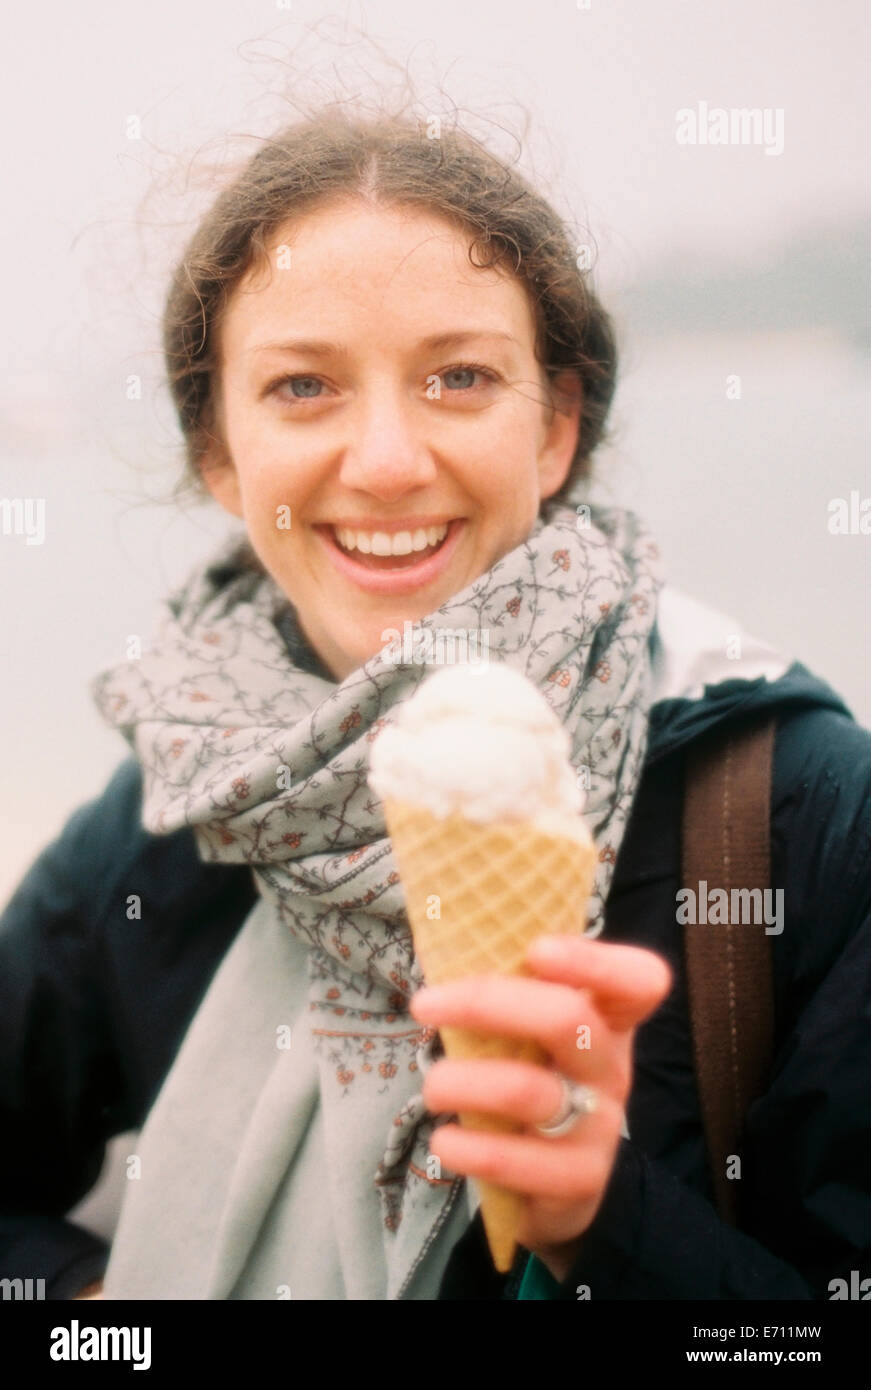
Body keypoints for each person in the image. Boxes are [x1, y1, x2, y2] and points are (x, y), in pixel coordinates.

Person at [2, 108, 869, 1302]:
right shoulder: (177, 804)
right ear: (220, 453)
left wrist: (599, 1218)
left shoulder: (794, 808)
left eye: (459, 377)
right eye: (302, 385)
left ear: (557, 424)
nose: (387, 461)